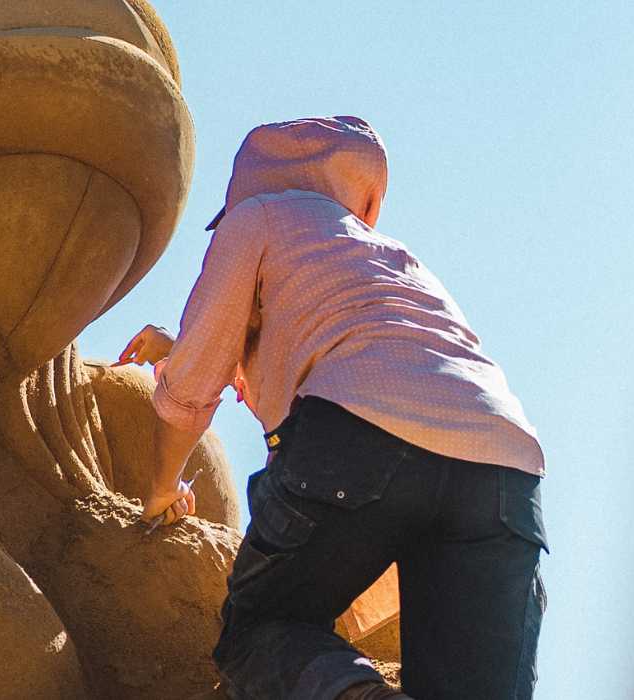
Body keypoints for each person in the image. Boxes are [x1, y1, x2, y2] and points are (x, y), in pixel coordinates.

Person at [116, 116, 548, 699]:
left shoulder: (260, 216)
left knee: (262, 630)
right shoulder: (392, 259)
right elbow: (363, 361)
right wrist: (179, 345)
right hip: (504, 468)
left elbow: (196, 384)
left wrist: (162, 488)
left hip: (361, 445)